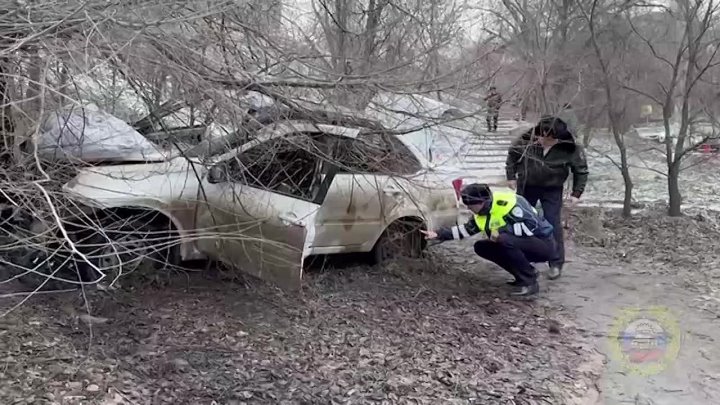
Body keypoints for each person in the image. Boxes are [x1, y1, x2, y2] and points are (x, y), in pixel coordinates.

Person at [420, 183, 556, 297]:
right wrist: (438, 234)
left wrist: (502, 232)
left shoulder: (511, 203)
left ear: (481, 202)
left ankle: (530, 283)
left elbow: (533, 226)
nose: (469, 209)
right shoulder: (481, 213)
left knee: (504, 240)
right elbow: (466, 230)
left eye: (471, 206)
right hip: (517, 243)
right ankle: (523, 275)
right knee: (481, 247)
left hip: (542, 243)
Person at [505, 116, 589, 280]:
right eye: (542, 136)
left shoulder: (570, 148)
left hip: (552, 188)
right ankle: (524, 260)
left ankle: (555, 262)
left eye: (549, 139)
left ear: (558, 138)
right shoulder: (526, 140)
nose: (544, 140)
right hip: (526, 185)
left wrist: (576, 194)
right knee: (521, 221)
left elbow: (581, 171)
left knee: (551, 223)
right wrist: (511, 176)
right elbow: (512, 156)